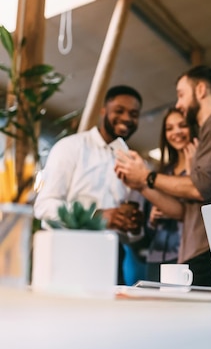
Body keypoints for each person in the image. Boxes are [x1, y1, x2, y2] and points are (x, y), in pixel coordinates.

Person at [115, 65, 211, 286]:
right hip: (198, 248)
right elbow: (184, 211)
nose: (179, 103)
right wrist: (141, 184)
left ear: (200, 90)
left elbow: (200, 188)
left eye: (181, 94)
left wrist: (147, 177)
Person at [34, 85, 145, 284]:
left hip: (112, 258)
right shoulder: (70, 147)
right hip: (68, 252)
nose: (127, 118)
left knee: (110, 315)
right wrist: (96, 215)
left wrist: (134, 227)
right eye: (119, 110)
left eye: (134, 114)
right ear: (104, 110)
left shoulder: (135, 163)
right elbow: (43, 206)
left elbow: (131, 237)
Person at [145, 107, 196, 281]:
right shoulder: (161, 173)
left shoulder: (201, 171)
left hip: (184, 257)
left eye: (182, 125)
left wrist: (192, 169)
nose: (176, 132)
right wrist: (152, 219)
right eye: (169, 128)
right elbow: (147, 231)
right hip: (155, 258)